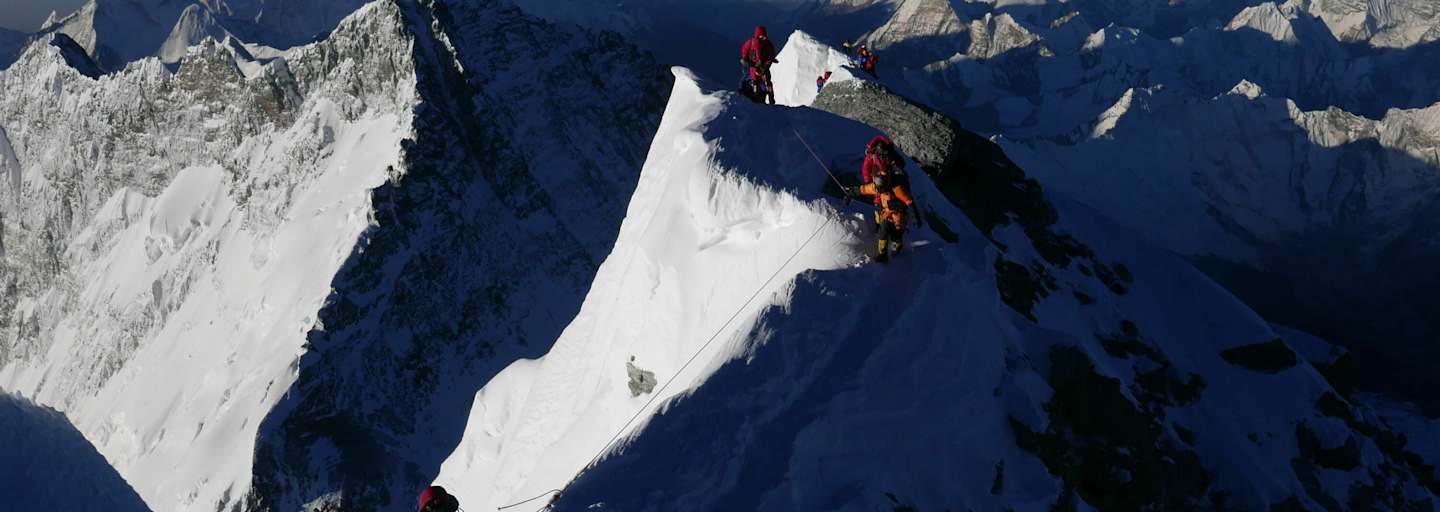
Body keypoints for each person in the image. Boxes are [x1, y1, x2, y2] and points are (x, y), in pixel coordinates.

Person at [848, 173, 920, 263]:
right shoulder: (878, 186)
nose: (879, 191)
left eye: (881, 188)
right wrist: (851, 192)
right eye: (878, 188)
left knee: (896, 236)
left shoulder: (897, 189)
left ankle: (896, 250)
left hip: (899, 216)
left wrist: (915, 217)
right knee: (883, 233)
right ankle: (882, 255)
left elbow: (909, 202)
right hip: (887, 214)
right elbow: (864, 189)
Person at [740, 25, 779, 104]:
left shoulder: (764, 43)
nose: (763, 37)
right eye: (761, 35)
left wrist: (766, 66)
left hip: (762, 66)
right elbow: (744, 52)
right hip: (753, 66)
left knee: (767, 81)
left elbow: (770, 56)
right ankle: (756, 97)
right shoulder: (752, 43)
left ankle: (771, 97)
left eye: (764, 36)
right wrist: (747, 60)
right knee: (755, 81)